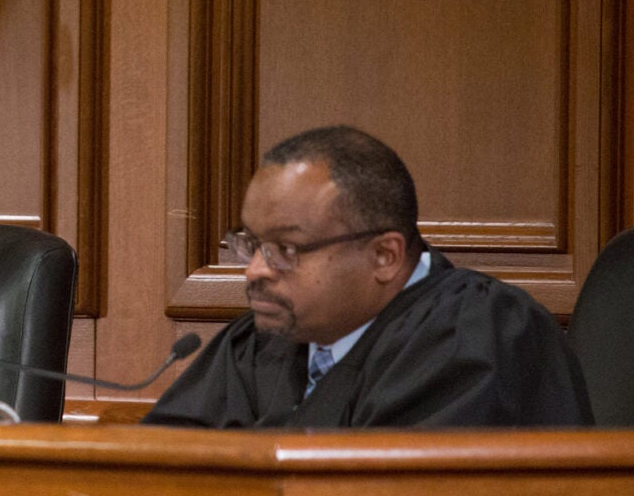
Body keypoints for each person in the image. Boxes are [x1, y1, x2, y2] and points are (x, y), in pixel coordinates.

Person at [145, 126, 590, 427]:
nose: (256, 270)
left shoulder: (476, 335)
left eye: (285, 249)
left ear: (384, 256)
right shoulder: (261, 343)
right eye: (254, 244)